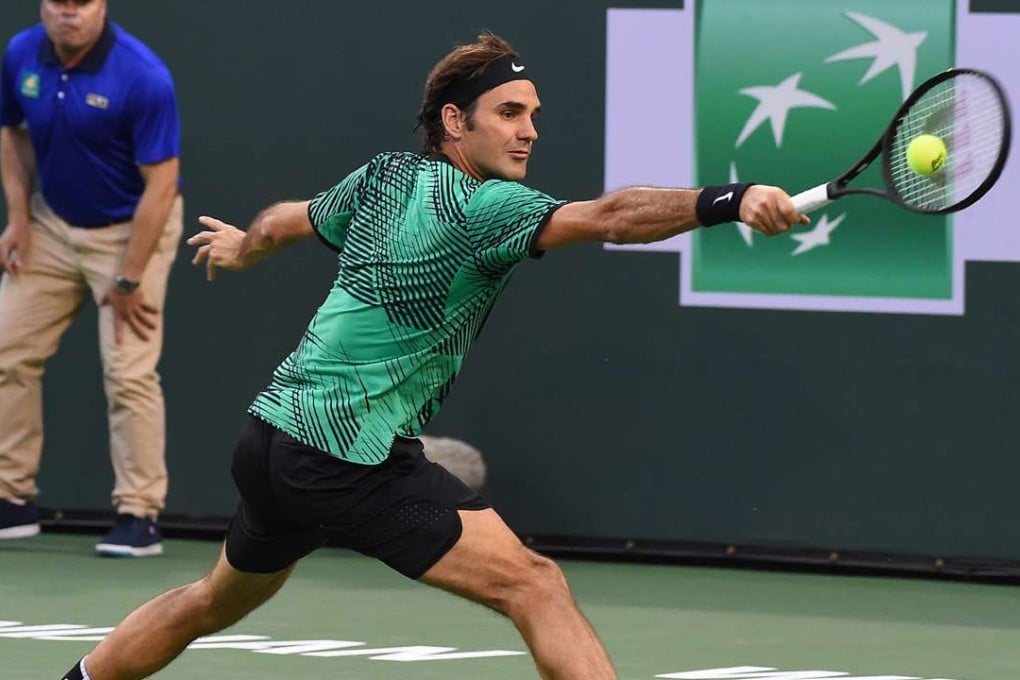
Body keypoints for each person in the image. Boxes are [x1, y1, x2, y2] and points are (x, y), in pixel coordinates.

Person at [59, 32, 806, 680]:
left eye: (534, 115)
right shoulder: (487, 207)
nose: (529, 132)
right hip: (344, 456)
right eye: (508, 113)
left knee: (210, 602)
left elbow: (283, 221)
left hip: (271, 440)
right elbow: (612, 217)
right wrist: (728, 200)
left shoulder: (384, 176)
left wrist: (241, 248)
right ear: (455, 121)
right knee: (536, 585)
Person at [0, 0, 182, 557]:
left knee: (128, 372)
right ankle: (11, 498)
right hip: (52, 225)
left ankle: (139, 513)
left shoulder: (143, 75)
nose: (68, 13)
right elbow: (12, 133)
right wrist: (19, 217)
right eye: (58, 1)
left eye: (81, 3)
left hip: (132, 230)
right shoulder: (21, 53)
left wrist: (128, 279)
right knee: (6, 349)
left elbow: (161, 186)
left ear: (101, 6)